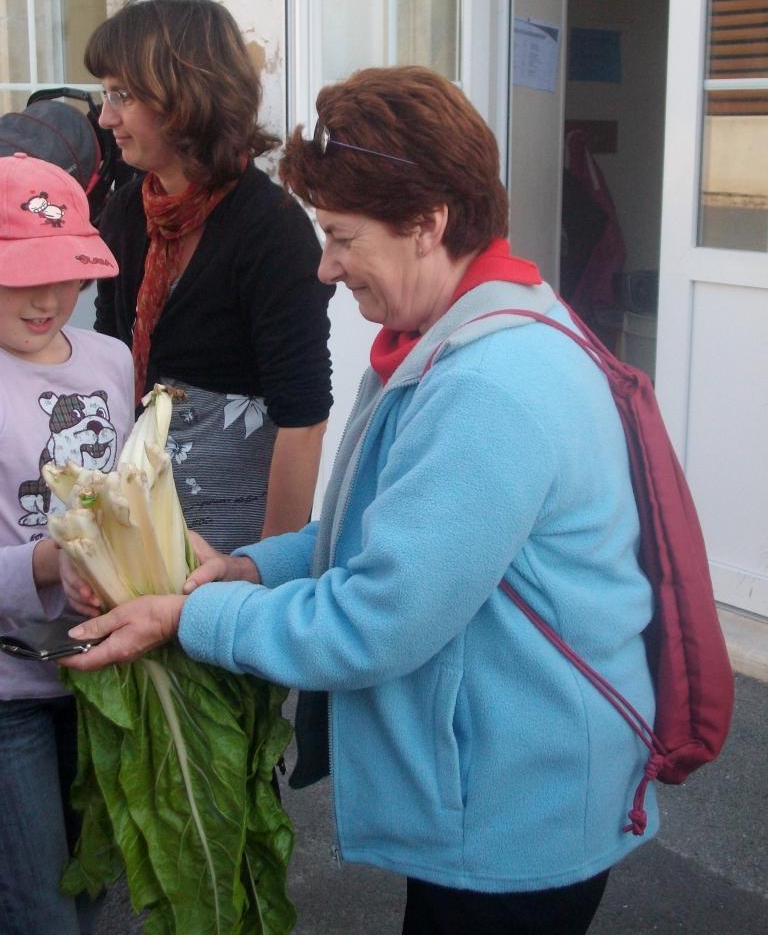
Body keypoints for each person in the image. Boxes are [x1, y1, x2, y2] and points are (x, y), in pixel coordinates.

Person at [62, 66, 659, 935]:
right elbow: (385, 537)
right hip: (497, 788)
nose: (326, 266)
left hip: (518, 819)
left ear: (428, 224)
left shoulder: (491, 385)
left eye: (342, 236)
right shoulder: (459, 331)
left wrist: (189, 620)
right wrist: (245, 567)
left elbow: (378, 618)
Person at [86, 0, 333, 551]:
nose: (106, 118)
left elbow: (304, 421)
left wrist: (267, 576)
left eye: (122, 95)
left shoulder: (271, 228)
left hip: (235, 543)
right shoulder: (126, 212)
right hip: (141, 531)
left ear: (184, 96)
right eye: (105, 95)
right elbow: (107, 367)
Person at [0, 153, 134, 934]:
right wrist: (50, 562)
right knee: (39, 909)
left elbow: (127, 497)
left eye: (65, 272)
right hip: (10, 690)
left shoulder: (110, 361)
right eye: (21, 273)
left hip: (98, 678)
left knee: (88, 894)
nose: (50, 298)